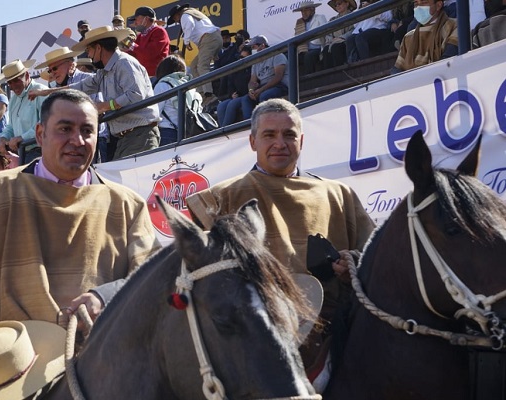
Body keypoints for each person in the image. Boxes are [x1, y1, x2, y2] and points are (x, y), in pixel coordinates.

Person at [0, 90, 160, 347]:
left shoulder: (127, 205)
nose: (78, 140)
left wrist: (104, 296)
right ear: (40, 134)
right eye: (65, 129)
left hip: (99, 366)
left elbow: (152, 277)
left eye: (87, 131)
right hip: (5, 363)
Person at [185, 98, 375, 385]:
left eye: (289, 135)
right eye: (269, 135)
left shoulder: (338, 195)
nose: (280, 143)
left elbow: (374, 256)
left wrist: (353, 265)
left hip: (337, 345)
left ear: (301, 140)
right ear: (252, 142)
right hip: (253, 348)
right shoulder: (220, 199)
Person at [29, 26, 161, 159]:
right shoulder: (104, 72)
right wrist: (48, 92)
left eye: (89, 50)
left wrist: (105, 106)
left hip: (140, 134)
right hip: (128, 138)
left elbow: (136, 94)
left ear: (98, 48)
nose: (89, 55)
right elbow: (80, 86)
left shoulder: (124, 63)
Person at [35, 46, 111, 162]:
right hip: (67, 144)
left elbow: (98, 109)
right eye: (50, 70)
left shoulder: (89, 79)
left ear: (70, 65)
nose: (53, 73)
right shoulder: (55, 90)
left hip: (94, 140)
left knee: (94, 178)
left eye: (55, 68)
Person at [218, 35, 289, 126]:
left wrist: (261, 89)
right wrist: (251, 90)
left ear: (262, 45)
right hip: (264, 87)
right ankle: (251, 125)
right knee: (246, 98)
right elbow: (252, 81)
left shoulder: (277, 55)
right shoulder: (256, 61)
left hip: (279, 85)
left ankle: (265, 124)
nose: (253, 49)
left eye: (254, 47)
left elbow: (278, 77)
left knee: (264, 95)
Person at [0, 59, 48, 163]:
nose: (13, 85)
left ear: (27, 76)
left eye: (16, 80)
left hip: (40, 151)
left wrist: (21, 138)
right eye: (10, 82)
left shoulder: (41, 91)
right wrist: (3, 138)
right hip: (23, 152)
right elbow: (11, 126)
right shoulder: (14, 99)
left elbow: (46, 123)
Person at [167, 4, 221, 98]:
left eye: (175, 19)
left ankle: (208, 94)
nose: (176, 21)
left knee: (202, 66)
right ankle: (201, 92)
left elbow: (189, 24)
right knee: (194, 66)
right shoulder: (193, 13)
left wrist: (186, 41)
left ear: (177, 15)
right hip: (212, 39)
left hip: (209, 39)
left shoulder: (185, 15)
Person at [393, 0, 458, 73]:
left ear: (438, 5)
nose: (419, 7)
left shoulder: (454, 26)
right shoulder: (408, 36)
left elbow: (449, 60)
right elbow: (397, 68)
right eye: (416, 3)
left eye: (424, 3)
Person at [153, 54, 202, 145]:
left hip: (167, 132)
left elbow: (155, 113)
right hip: (188, 132)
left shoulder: (163, 85)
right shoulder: (190, 85)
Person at [126, 6, 170, 80]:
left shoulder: (159, 31)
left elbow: (150, 54)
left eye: (136, 19)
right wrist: (122, 47)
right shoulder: (141, 36)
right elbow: (133, 53)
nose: (135, 23)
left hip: (157, 77)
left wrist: (130, 44)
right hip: (145, 77)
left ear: (146, 19)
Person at [293, 1, 328, 74]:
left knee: (308, 56)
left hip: (318, 48)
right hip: (304, 50)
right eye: (302, 11)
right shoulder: (300, 23)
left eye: (306, 10)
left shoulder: (320, 17)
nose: (303, 13)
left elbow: (326, 32)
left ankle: (310, 81)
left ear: (312, 10)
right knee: (292, 58)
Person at [321, 0, 357, 69]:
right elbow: (328, 33)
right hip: (333, 42)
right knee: (326, 49)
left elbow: (354, 29)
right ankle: (328, 75)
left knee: (336, 47)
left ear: (347, 4)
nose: (337, 6)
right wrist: (331, 40)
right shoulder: (332, 20)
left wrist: (341, 38)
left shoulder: (353, 16)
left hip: (346, 42)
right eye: (336, 5)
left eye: (339, 3)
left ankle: (340, 71)